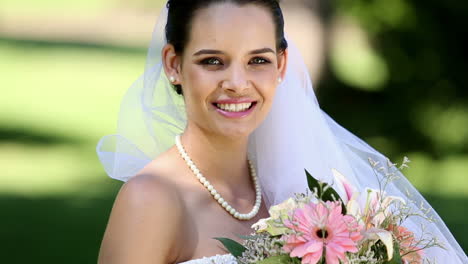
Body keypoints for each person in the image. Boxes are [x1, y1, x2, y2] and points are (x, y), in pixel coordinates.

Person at [96, 0, 468, 263]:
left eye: (258, 60)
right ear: (174, 65)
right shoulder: (152, 199)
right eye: (213, 61)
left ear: (281, 65)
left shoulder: (299, 194)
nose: (237, 83)